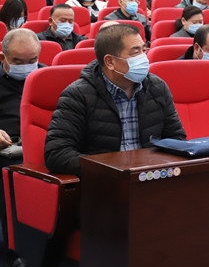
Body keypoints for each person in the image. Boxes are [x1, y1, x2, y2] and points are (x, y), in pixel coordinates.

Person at [44, 24, 186, 176]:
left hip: (152, 177)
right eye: (135, 52)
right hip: (105, 180)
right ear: (110, 62)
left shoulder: (157, 87)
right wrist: (111, 169)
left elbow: (176, 139)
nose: (144, 58)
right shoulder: (78, 94)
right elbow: (57, 154)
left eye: (144, 50)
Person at [0, 29, 42, 267]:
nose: (26, 66)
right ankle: (17, 251)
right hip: (7, 149)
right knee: (14, 174)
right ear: (3, 57)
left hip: (47, 145)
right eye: (17, 61)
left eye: (31, 60)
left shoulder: (47, 77)